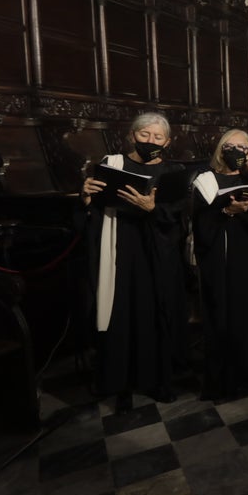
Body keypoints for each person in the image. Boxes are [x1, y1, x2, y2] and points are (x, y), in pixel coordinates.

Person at [81, 112, 187, 411]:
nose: (150, 141)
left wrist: (153, 209)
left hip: (157, 252)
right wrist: (86, 197)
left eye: (157, 137)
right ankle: (119, 383)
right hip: (120, 247)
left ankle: (157, 380)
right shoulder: (111, 164)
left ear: (167, 141)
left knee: (156, 313)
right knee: (120, 314)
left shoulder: (173, 170)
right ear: (132, 135)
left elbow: (178, 213)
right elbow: (95, 209)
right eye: (144, 135)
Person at [192, 129, 248, 398]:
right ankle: (230, 372)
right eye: (230, 146)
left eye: (242, 147)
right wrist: (225, 211)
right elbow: (200, 224)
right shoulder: (206, 180)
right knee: (228, 313)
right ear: (221, 149)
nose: (236, 151)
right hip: (223, 257)